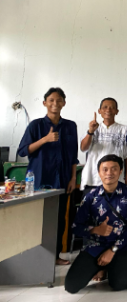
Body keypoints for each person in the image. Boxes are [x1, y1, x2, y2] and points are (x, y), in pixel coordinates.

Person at [17, 87, 79, 265]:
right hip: (39, 180)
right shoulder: (35, 125)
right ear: (45, 103)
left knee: (59, 219)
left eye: (59, 100)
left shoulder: (70, 126)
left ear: (64, 103)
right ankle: (34, 256)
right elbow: (23, 151)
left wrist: (73, 178)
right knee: (37, 218)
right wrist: (45, 139)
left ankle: (55, 256)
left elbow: (73, 155)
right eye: (51, 100)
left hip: (63, 180)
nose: (55, 103)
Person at [65, 155, 127, 293]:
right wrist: (95, 230)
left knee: (119, 285)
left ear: (120, 171)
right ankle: (100, 267)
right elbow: (76, 227)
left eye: (114, 169)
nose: (109, 173)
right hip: (95, 246)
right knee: (71, 286)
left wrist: (113, 250)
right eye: (105, 169)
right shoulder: (90, 196)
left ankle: (109, 267)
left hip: (121, 246)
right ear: (99, 172)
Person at [80, 98, 127, 195]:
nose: (108, 110)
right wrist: (90, 132)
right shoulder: (93, 128)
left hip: (115, 179)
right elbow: (83, 148)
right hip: (93, 178)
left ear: (117, 111)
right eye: (105, 107)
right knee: (90, 204)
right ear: (99, 111)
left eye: (112, 108)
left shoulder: (124, 130)